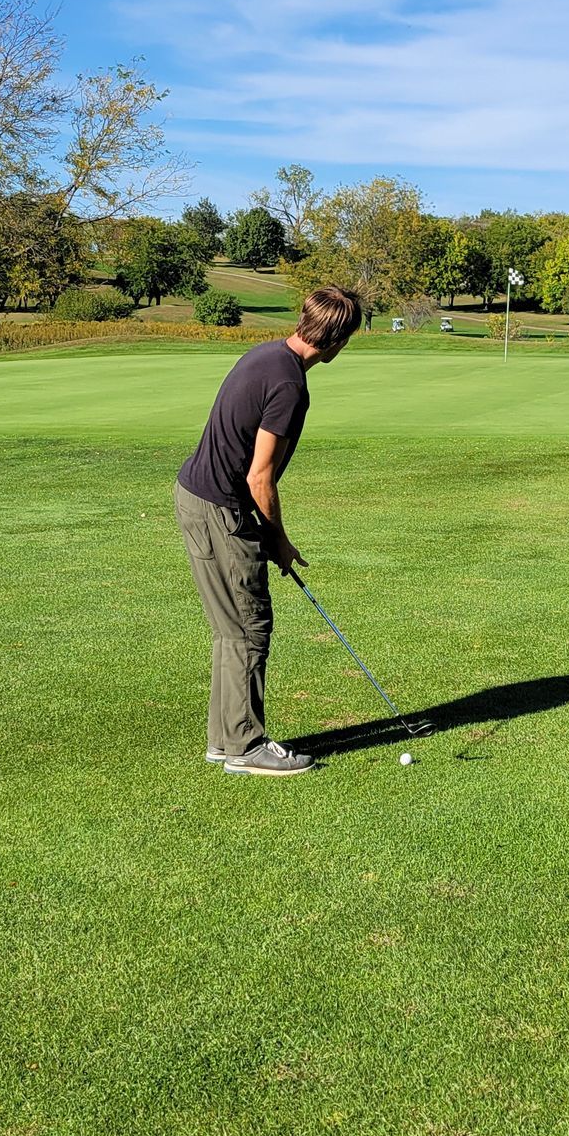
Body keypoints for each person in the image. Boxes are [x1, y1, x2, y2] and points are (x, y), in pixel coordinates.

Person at [175, 285, 363, 775]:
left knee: (229, 630)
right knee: (249, 627)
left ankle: (225, 739)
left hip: (196, 497)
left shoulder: (265, 355)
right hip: (221, 509)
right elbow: (259, 475)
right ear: (337, 341)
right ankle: (244, 746)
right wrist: (278, 538)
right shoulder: (289, 385)